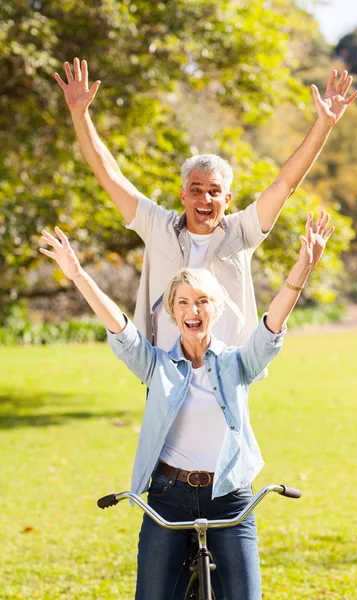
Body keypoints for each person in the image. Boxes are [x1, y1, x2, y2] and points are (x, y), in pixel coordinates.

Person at [39, 210, 334, 599]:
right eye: (182, 302)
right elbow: (120, 329)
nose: (192, 310)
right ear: (173, 312)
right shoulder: (157, 365)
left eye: (202, 301)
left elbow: (271, 328)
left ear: (216, 308)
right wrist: (78, 274)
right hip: (169, 496)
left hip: (230, 496)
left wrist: (304, 266)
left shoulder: (236, 363)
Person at [54, 58, 357, 349]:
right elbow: (110, 177)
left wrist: (324, 125)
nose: (205, 198)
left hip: (227, 376)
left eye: (214, 191)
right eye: (196, 190)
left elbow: (285, 184)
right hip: (165, 373)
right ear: (183, 195)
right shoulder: (156, 225)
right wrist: (80, 115)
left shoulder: (243, 231)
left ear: (227, 199)